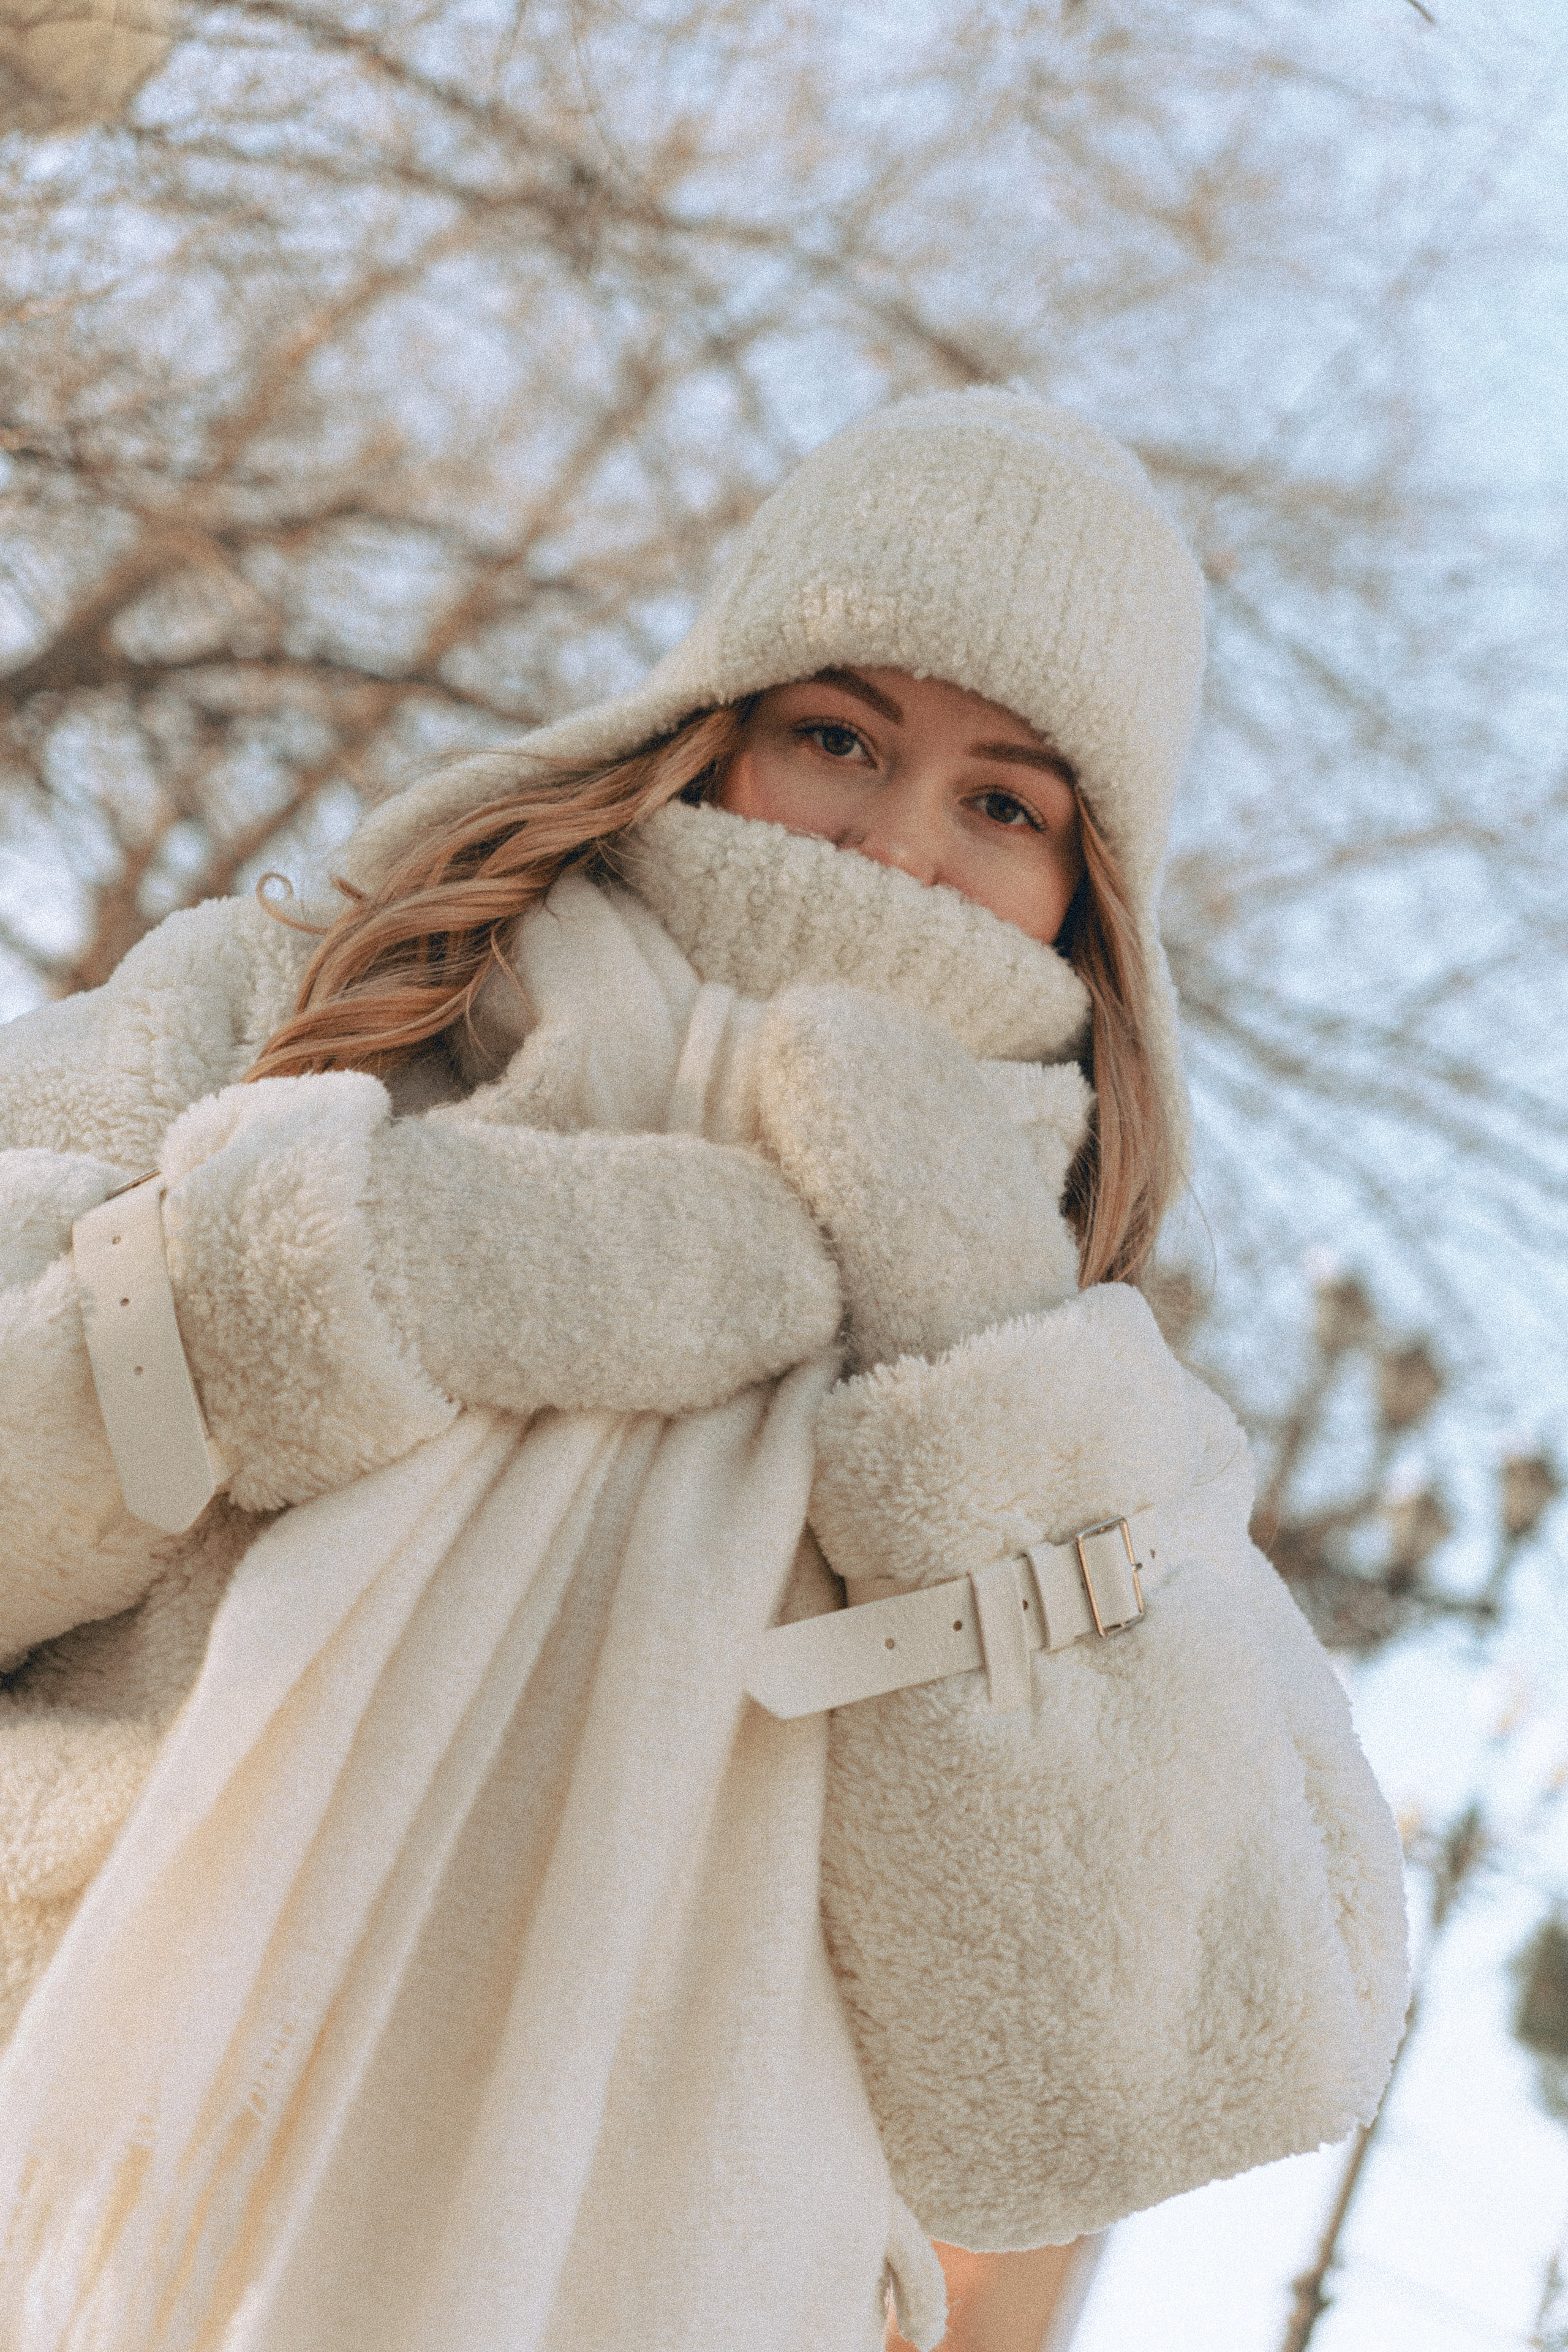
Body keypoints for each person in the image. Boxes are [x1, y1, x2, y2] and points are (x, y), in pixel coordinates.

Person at [0, 391, 1408, 2352]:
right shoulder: (318, 1009)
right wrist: (342, 1283)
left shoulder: (1086, 1394)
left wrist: (974, 1382)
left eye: (1006, 805)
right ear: (712, 723)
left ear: (1091, 902)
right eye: (840, 734)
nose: (900, 846)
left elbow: (1154, 2076)